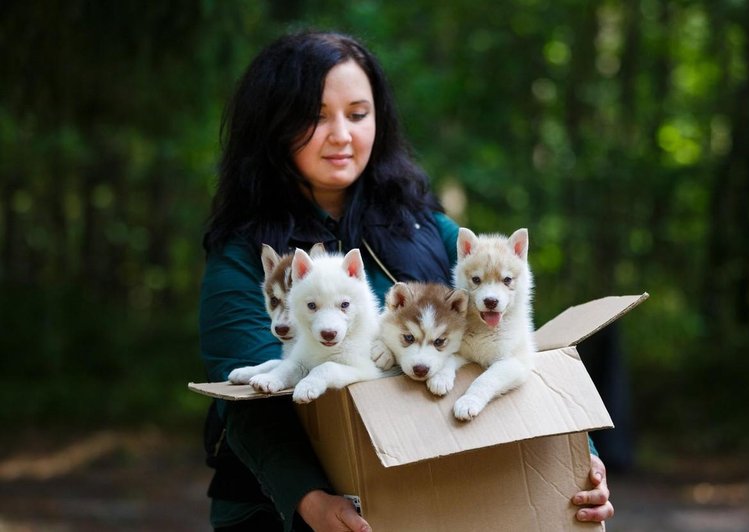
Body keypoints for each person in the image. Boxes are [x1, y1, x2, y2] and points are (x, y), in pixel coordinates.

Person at [199, 30, 614, 531]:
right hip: (282, 511)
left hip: (433, 486)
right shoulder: (245, 254)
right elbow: (249, 402)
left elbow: (513, 341)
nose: (341, 134)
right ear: (272, 124)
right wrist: (307, 499)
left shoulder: (426, 227)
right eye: (314, 116)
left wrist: (576, 455)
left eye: (357, 114)